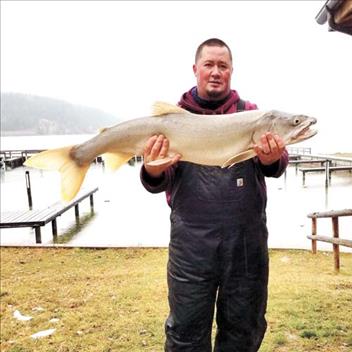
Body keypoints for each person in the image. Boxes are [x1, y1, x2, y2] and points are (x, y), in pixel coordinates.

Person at [140, 38, 289, 351]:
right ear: (195, 69)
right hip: (191, 246)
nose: (216, 72)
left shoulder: (253, 115)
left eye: (223, 66)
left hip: (246, 245)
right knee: (186, 334)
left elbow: (276, 166)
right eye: (209, 64)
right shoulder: (172, 121)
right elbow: (159, 179)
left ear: (231, 71)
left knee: (242, 332)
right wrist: (152, 169)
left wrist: (270, 157)